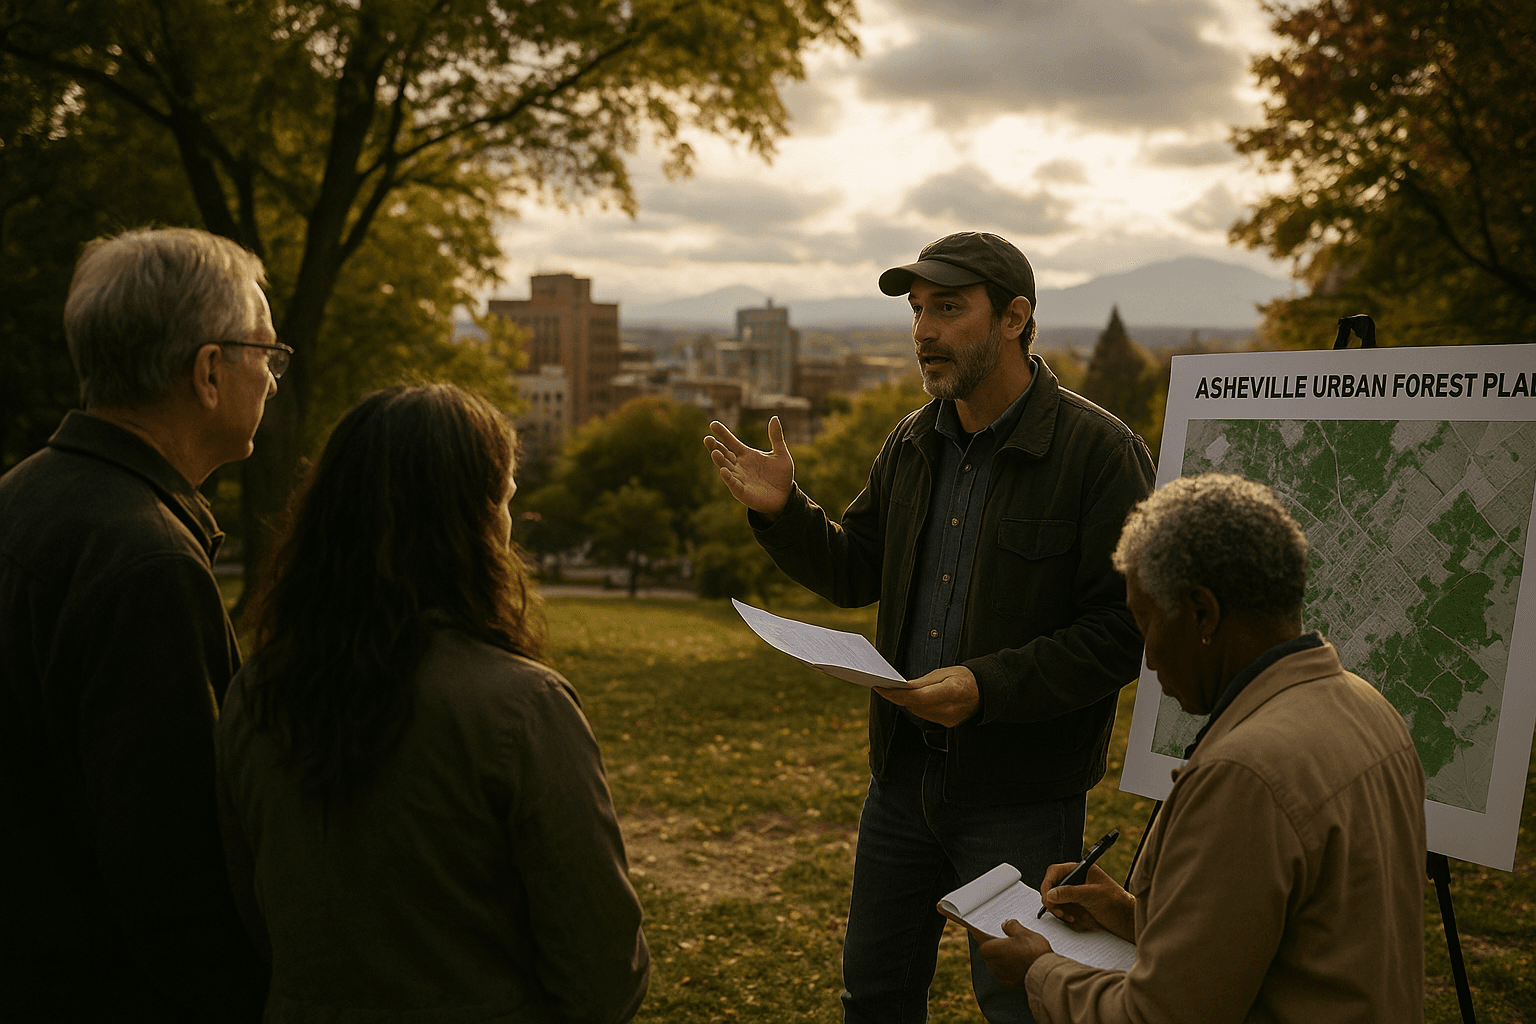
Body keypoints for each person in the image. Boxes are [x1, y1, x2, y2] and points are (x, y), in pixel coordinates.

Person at [704, 231, 1156, 1023]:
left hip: (1022, 793)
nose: (923, 331)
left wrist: (988, 686)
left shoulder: (1100, 454)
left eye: (948, 309)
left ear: (1014, 319)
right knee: (873, 994)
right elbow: (854, 570)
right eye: (917, 310)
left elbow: (1124, 631)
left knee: (1022, 1004)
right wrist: (784, 513)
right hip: (901, 785)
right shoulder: (911, 443)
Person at [215, 384, 649, 1023]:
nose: (509, 523)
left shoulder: (255, 694)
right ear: (471, 523)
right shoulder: (524, 708)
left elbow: (251, 916)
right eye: (503, 501)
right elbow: (603, 971)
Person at [976, 473, 1428, 1023]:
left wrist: (1038, 971)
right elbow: (1298, 932)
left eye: (1146, 619)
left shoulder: (1244, 774)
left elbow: (1161, 1016)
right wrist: (1132, 915)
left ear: (1203, 612)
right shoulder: (1367, 708)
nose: (1147, 655)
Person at [0, 227, 279, 1020]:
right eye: (268, 352)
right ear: (209, 371)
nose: (275, 377)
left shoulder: (21, 497)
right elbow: (173, 866)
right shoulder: (147, 563)